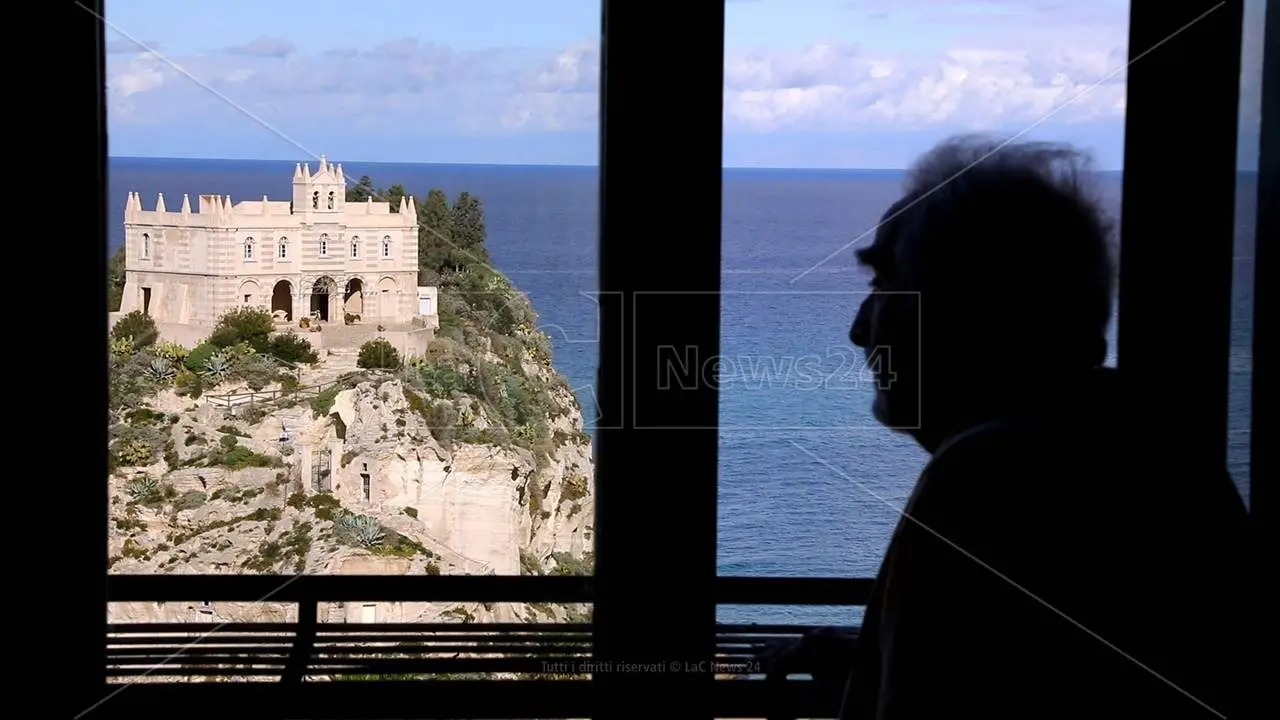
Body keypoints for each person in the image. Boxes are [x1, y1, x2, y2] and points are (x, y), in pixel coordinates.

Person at [765, 136, 1251, 719]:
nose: (859, 329)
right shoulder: (1143, 445)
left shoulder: (989, 478)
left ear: (973, 305)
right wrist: (874, 662)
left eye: (884, 284)